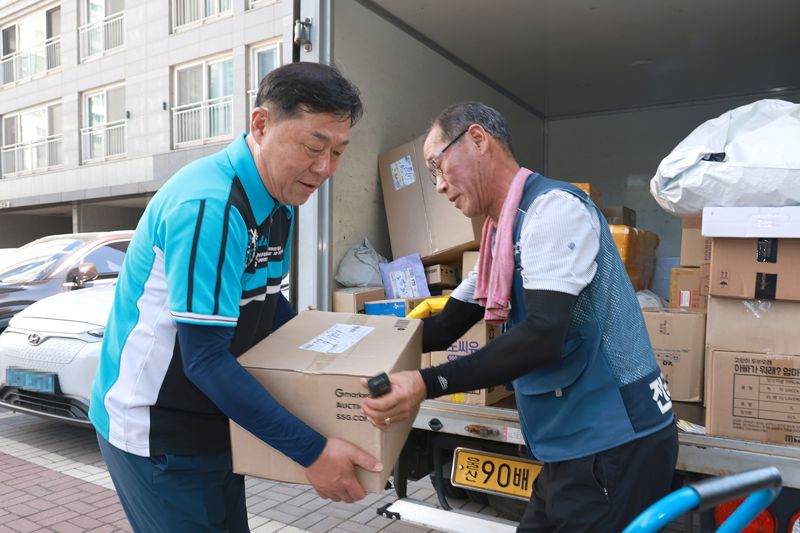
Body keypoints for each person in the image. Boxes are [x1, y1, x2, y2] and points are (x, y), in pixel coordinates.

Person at [90, 62, 382, 533]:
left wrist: (337, 349)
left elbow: (267, 305)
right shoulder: (209, 207)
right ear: (261, 125)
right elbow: (205, 359)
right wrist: (312, 452)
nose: (324, 168)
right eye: (313, 147)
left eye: (338, 152)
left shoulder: (281, 201)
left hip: (214, 421)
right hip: (156, 431)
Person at [361, 102, 678, 532]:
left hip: (615, 442)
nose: (438, 186)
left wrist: (425, 383)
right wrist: (359, 339)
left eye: (437, 165)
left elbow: (543, 334)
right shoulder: (499, 240)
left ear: (477, 139)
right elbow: (445, 327)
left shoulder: (552, 212)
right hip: (570, 448)